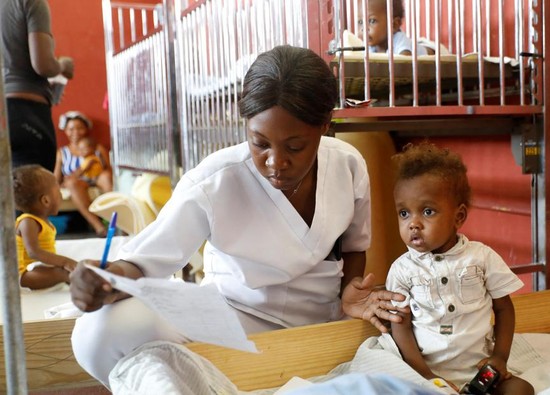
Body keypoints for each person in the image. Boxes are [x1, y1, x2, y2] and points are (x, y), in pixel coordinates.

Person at [69, 45, 408, 389]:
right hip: (231, 323)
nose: (276, 162)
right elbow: (145, 262)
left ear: (324, 125)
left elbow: (353, 246)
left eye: (294, 147)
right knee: (98, 330)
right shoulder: (214, 180)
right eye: (260, 143)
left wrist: (349, 293)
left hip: (320, 321)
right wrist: (108, 279)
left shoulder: (347, 164)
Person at [386, 142, 534, 394]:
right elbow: (400, 325)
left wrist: (499, 357)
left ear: (459, 217)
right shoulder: (402, 270)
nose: (413, 224)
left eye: (427, 211)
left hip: (479, 370)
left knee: (522, 389)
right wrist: (425, 375)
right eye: (404, 213)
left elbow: (504, 308)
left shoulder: (481, 257)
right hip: (428, 372)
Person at [1, 0, 74, 171]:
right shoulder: (31, 2)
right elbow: (43, 65)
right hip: (26, 112)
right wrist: (63, 65)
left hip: (5, 110)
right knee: (35, 192)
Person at [13, 165, 77, 290]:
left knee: (68, 270)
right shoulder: (28, 222)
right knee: (64, 273)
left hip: (40, 268)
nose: (62, 196)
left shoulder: (43, 221)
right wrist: (65, 261)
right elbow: (34, 252)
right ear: (46, 201)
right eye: (58, 192)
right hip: (24, 275)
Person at [53, 111, 113, 236]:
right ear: (65, 130)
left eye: (79, 128)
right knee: (71, 182)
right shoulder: (62, 152)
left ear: (86, 129)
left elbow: (108, 168)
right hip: (77, 182)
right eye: (71, 129)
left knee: (106, 176)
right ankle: (99, 227)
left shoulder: (97, 148)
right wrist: (57, 186)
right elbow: (56, 178)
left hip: (97, 178)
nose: (75, 132)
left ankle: (114, 220)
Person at [358, 0, 428, 56]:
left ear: (394, 24)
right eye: (360, 22)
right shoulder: (370, 46)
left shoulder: (400, 40)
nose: (364, 28)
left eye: (372, 21)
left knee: (429, 49)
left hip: (425, 50)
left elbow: (405, 62)